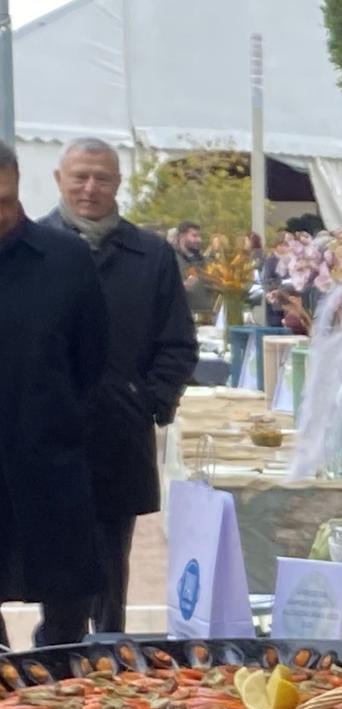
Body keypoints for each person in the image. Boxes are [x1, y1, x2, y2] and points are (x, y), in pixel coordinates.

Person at [40, 138, 197, 633]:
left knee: (111, 564)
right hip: (41, 436)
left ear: (118, 184)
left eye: (102, 178)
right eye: (80, 176)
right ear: (59, 179)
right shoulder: (28, 248)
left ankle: (108, 661)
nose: (90, 188)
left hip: (116, 434)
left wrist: (147, 401)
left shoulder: (149, 255)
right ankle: (50, 662)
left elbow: (177, 343)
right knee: (49, 563)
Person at [0, 142, 111, 647]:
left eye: (3, 201)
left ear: (19, 188)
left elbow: (91, 361)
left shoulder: (66, 259)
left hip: (49, 464)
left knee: (68, 613)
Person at [172, 220, 216, 323]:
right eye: (194, 236)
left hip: (208, 319)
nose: (199, 240)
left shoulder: (205, 262)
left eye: (199, 236)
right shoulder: (170, 260)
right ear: (182, 237)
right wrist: (181, 287)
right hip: (181, 320)